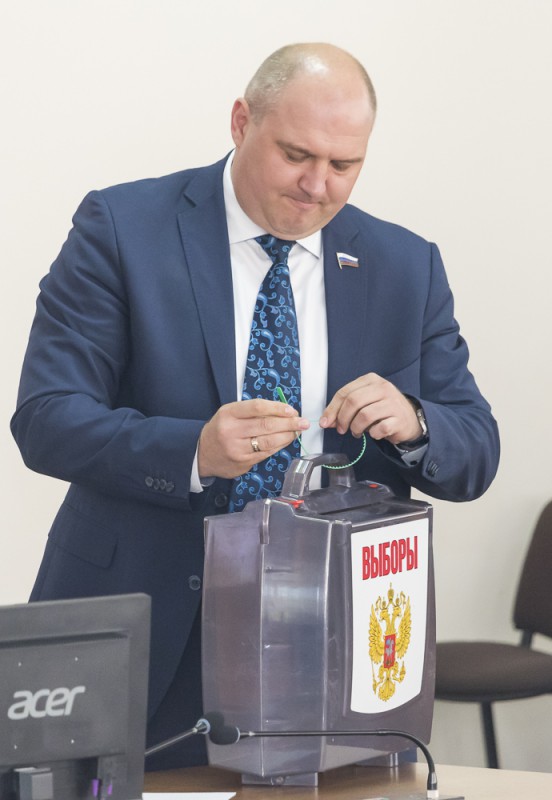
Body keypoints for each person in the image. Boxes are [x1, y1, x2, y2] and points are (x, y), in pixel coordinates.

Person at [11, 43, 499, 769]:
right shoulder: (123, 227)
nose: (317, 186)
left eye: (344, 165)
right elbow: (47, 417)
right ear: (242, 122)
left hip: (334, 654)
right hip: (148, 628)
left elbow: (476, 449)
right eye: (296, 154)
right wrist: (193, 452)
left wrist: (418, 423)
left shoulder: (405, 264)